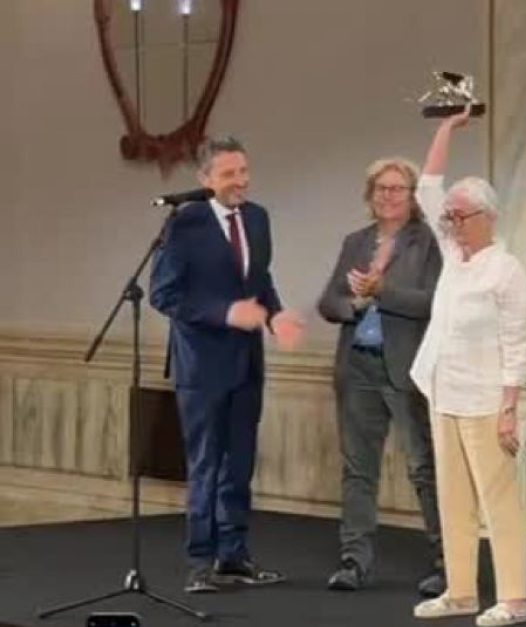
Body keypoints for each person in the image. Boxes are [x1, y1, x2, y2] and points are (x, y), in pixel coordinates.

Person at [149, 135, 304, 594]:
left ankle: (233, 556)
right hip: (201, 365)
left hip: (247, 362)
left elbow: (260, 280)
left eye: (244, 171)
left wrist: (275, 317)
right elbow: (164, 295)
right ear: (205, 178)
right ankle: (200, 562)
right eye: (229, 173)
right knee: (206, 465)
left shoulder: (257, 218)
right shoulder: (184, 223)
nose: (241, 180)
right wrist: (225, 313)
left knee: (239, 463)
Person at [408, 109, 526, 627]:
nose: (452, 225)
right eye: (450, 218)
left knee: (497, 499)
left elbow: (517, 344)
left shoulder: (506, 270)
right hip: (444, 392)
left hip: (485, 399)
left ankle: (514, 599)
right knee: (452, 498)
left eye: (461, 217)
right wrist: (446, 129)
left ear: (488, 216)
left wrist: (509, 408)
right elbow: (427, 189)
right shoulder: (452, 253)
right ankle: (460, 591)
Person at [317, 156, 446, 596]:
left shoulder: (428, 242)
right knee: (358, 470)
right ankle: (354, 562)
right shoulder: (356, 241)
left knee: (424, 468)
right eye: (380, 188)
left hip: (406, 368)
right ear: (370, 195)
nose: (388, 196)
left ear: (413, 197)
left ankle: (449, 564)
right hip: (358, 365)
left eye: (397, 189)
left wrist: (382, 291)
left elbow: (434, 302)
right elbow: (328, 302)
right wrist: (353, 305)